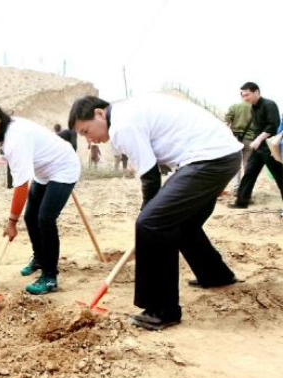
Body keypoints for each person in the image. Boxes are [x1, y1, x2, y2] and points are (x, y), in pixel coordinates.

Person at [69, 93, 243, 330]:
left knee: (151, 224)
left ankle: (162, 310)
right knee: (182, 223)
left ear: (99, 113)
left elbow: (150, 177)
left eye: (86, 131)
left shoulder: (122, 125)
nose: (89, 140)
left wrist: (148, 220)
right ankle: (215, 274)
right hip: (225, 156)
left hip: (209, 159)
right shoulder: (129, 112)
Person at [0, 100, 81, 295]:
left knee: (45, 219)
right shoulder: (6, 133)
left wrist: (11, 222)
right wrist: (16, 219)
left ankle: (49, 277)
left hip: (63, 166)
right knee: (30, 216)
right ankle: (39, 258)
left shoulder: (15, 138)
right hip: (44, 170)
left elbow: (21, 185)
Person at [229, 82, 283, 209]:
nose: (245, 98)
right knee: (249, 173)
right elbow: (257, 127)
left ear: (256, 92)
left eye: (247, 95)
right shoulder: (253, 108)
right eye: (243, 95)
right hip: (258, 148)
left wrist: (259, 139)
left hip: (269, 147)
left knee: (280, 176)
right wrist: (256, 141)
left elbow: (273, 125)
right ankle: (241, 202)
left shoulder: (269, 105)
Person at [225, 101, 256, 193]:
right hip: (250, 140)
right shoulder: (256, 109)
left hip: (235, 139)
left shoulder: (234, 106)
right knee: (247, 165)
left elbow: (226, 123)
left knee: (236, 164)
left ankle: (236, 187)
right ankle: (247, 189)